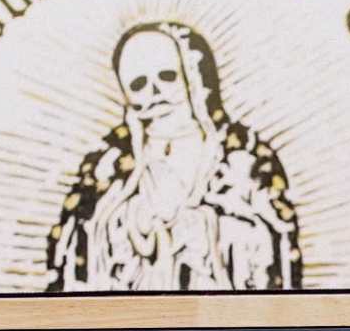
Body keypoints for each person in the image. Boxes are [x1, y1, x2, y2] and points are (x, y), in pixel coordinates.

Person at [44, 20, 304, 291]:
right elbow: (77, 248)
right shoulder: (107, 165)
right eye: (139, 84)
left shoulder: (242, 155)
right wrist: (129, 222)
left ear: (195, 75)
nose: (155, 92)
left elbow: (275, 242)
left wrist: (208, 229)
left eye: (167, 76)